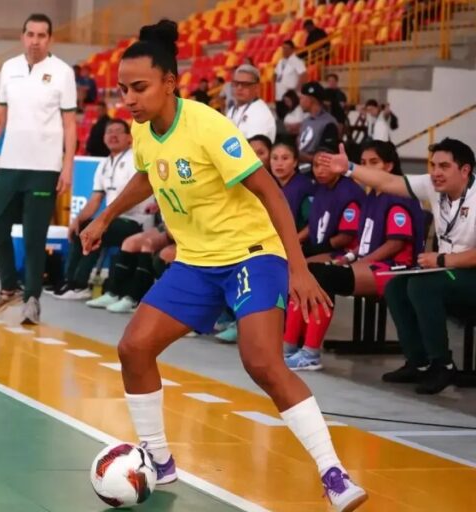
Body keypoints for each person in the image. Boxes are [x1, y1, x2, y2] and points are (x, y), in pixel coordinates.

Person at [79, 20, 367, 511]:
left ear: (170, 83)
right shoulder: (143, 130)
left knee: (262, 363)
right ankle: (160, 460)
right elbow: (147, 174)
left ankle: (333, 473)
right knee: (133, 349)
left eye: (139, 88)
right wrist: (104, 217)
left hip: (251, 254)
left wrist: (297, 268)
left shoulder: (209, 126)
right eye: (124, 89)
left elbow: (270, 192)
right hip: (196, 262)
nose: (129, 99)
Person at [319, 138, 476, 394]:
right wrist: (349, 168)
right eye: (433, 165)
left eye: (444, 166)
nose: (436, 172)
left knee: (423, 286)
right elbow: (387, 182)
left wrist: (442, 260)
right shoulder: (433, 186)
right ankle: (419, 363)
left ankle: (443, 365)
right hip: (449, 271)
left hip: (468, 273)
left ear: (465, 170)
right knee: (396, 286)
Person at [285, 141, 424, 370]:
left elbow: (396, 243)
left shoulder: (398, 196)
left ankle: (310, 353)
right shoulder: (373, 195)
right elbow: (366, 240)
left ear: (389, 166)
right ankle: (289, 347)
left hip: (394, 267)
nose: (367, 167)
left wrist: (362, 261)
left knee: (322, 277)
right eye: (364, 162)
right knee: (306, 272)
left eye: (374, 162)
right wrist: (350, 258)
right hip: (372, 263)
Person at [0, 13, 78, 324]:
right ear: (22, 37)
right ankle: (9, 288)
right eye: (31, 34)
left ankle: (32, 298)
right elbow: (0, 118)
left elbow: (70, 124)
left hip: (44, 168)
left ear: (50, 39)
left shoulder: (63, 72)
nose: (35, 41)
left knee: (35, 237)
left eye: (41, 35)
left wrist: (67, 166)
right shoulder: (9, 68)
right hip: (10, 164)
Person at [54, 119, 156, 299]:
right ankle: (69, 281)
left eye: (118, 131)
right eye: (109, 132)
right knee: (82, 227)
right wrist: (77, 220)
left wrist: (102, 220)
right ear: (103, 138)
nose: (113, 135)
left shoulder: (135, 159)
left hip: (136, 221)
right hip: (112, 219)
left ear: (129, 138)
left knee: (98, 230)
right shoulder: (104, 164)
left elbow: (136, 195)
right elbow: (95, 199)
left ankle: (81, 284)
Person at [302, 144, 365, 258]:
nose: (319, 171)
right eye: (316, 165)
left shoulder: (349, 192)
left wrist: (315, 250)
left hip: (345, 253)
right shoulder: (321, 187)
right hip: (320, 247)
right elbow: (314, 224)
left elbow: (346, 237)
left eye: (326, 165)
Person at [270, 136, 314, 231]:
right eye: (275, 158)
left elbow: (313, 223)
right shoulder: (269, 184)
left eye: (285, 158)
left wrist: (296, 239)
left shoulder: (303, 186)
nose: (279, 163)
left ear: (295, 162)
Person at [297, 82, 340, 173]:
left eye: (302, 98)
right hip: (299, 168)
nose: (300, 102)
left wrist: (299, 156)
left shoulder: (328, 123)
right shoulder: (306, 121)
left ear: (311, 100)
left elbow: (326, 157)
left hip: (315, 171)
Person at [227, 64, 276, 142]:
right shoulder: (232, 109)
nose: (239, 88)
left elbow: (255, 146)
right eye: (236, 83)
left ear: (257, 88)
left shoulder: (261, 113)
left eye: (245, 84)